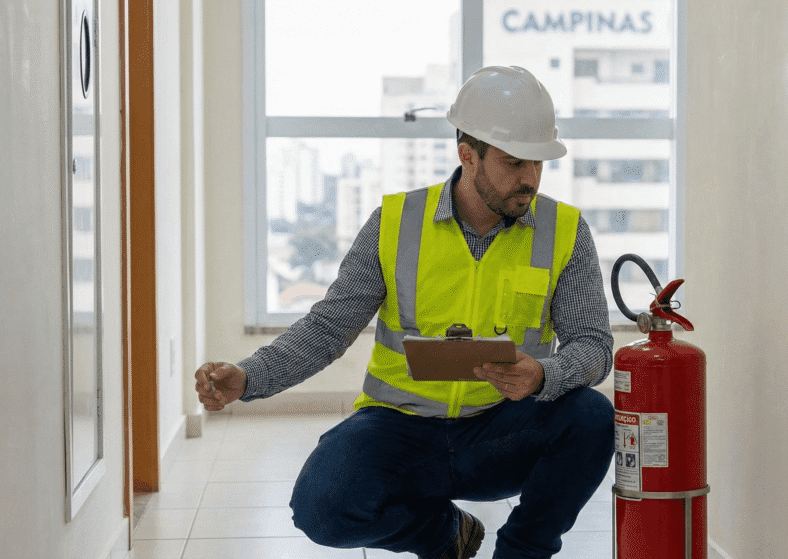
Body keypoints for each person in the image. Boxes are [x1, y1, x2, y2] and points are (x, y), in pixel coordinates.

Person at [194, 65, 615, 559]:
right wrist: (249, 377)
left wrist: (544, 375)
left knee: (592, 418)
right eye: (514, 163)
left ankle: (521, 552)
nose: (529, 180)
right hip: (400, 427)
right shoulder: (395, 223)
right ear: (468, 155)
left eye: (538, 164)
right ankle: (443, 535)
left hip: (503, 428)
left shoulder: (564, 230)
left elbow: (594, 346)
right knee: (322, 510)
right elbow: (329, 327)